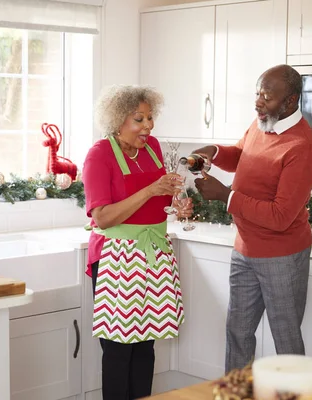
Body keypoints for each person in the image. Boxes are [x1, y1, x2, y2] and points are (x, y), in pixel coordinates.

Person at [193, 64, 312, 372]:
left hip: (282, 255)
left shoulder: (302, 147)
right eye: (257, 93)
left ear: (290, 102)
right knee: (237, 332)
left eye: (266, 96)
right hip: (245, 248)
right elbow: (241, 154)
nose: (258, 102)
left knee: (285, 341)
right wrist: (213, 151)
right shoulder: (263, 122)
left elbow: (279, 216)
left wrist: (226, 196)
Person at [82, 84, 192, 400]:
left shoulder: (153, 147)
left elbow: (158, 202)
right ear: (118, 121)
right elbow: (102, 217)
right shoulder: (99, 155)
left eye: (150, 117)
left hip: (153, 253)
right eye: (139, 119)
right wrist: (150, 191)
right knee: (119, 349)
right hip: (116, 257)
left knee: (146, 345)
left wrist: (178, 206)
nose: (148, 126)